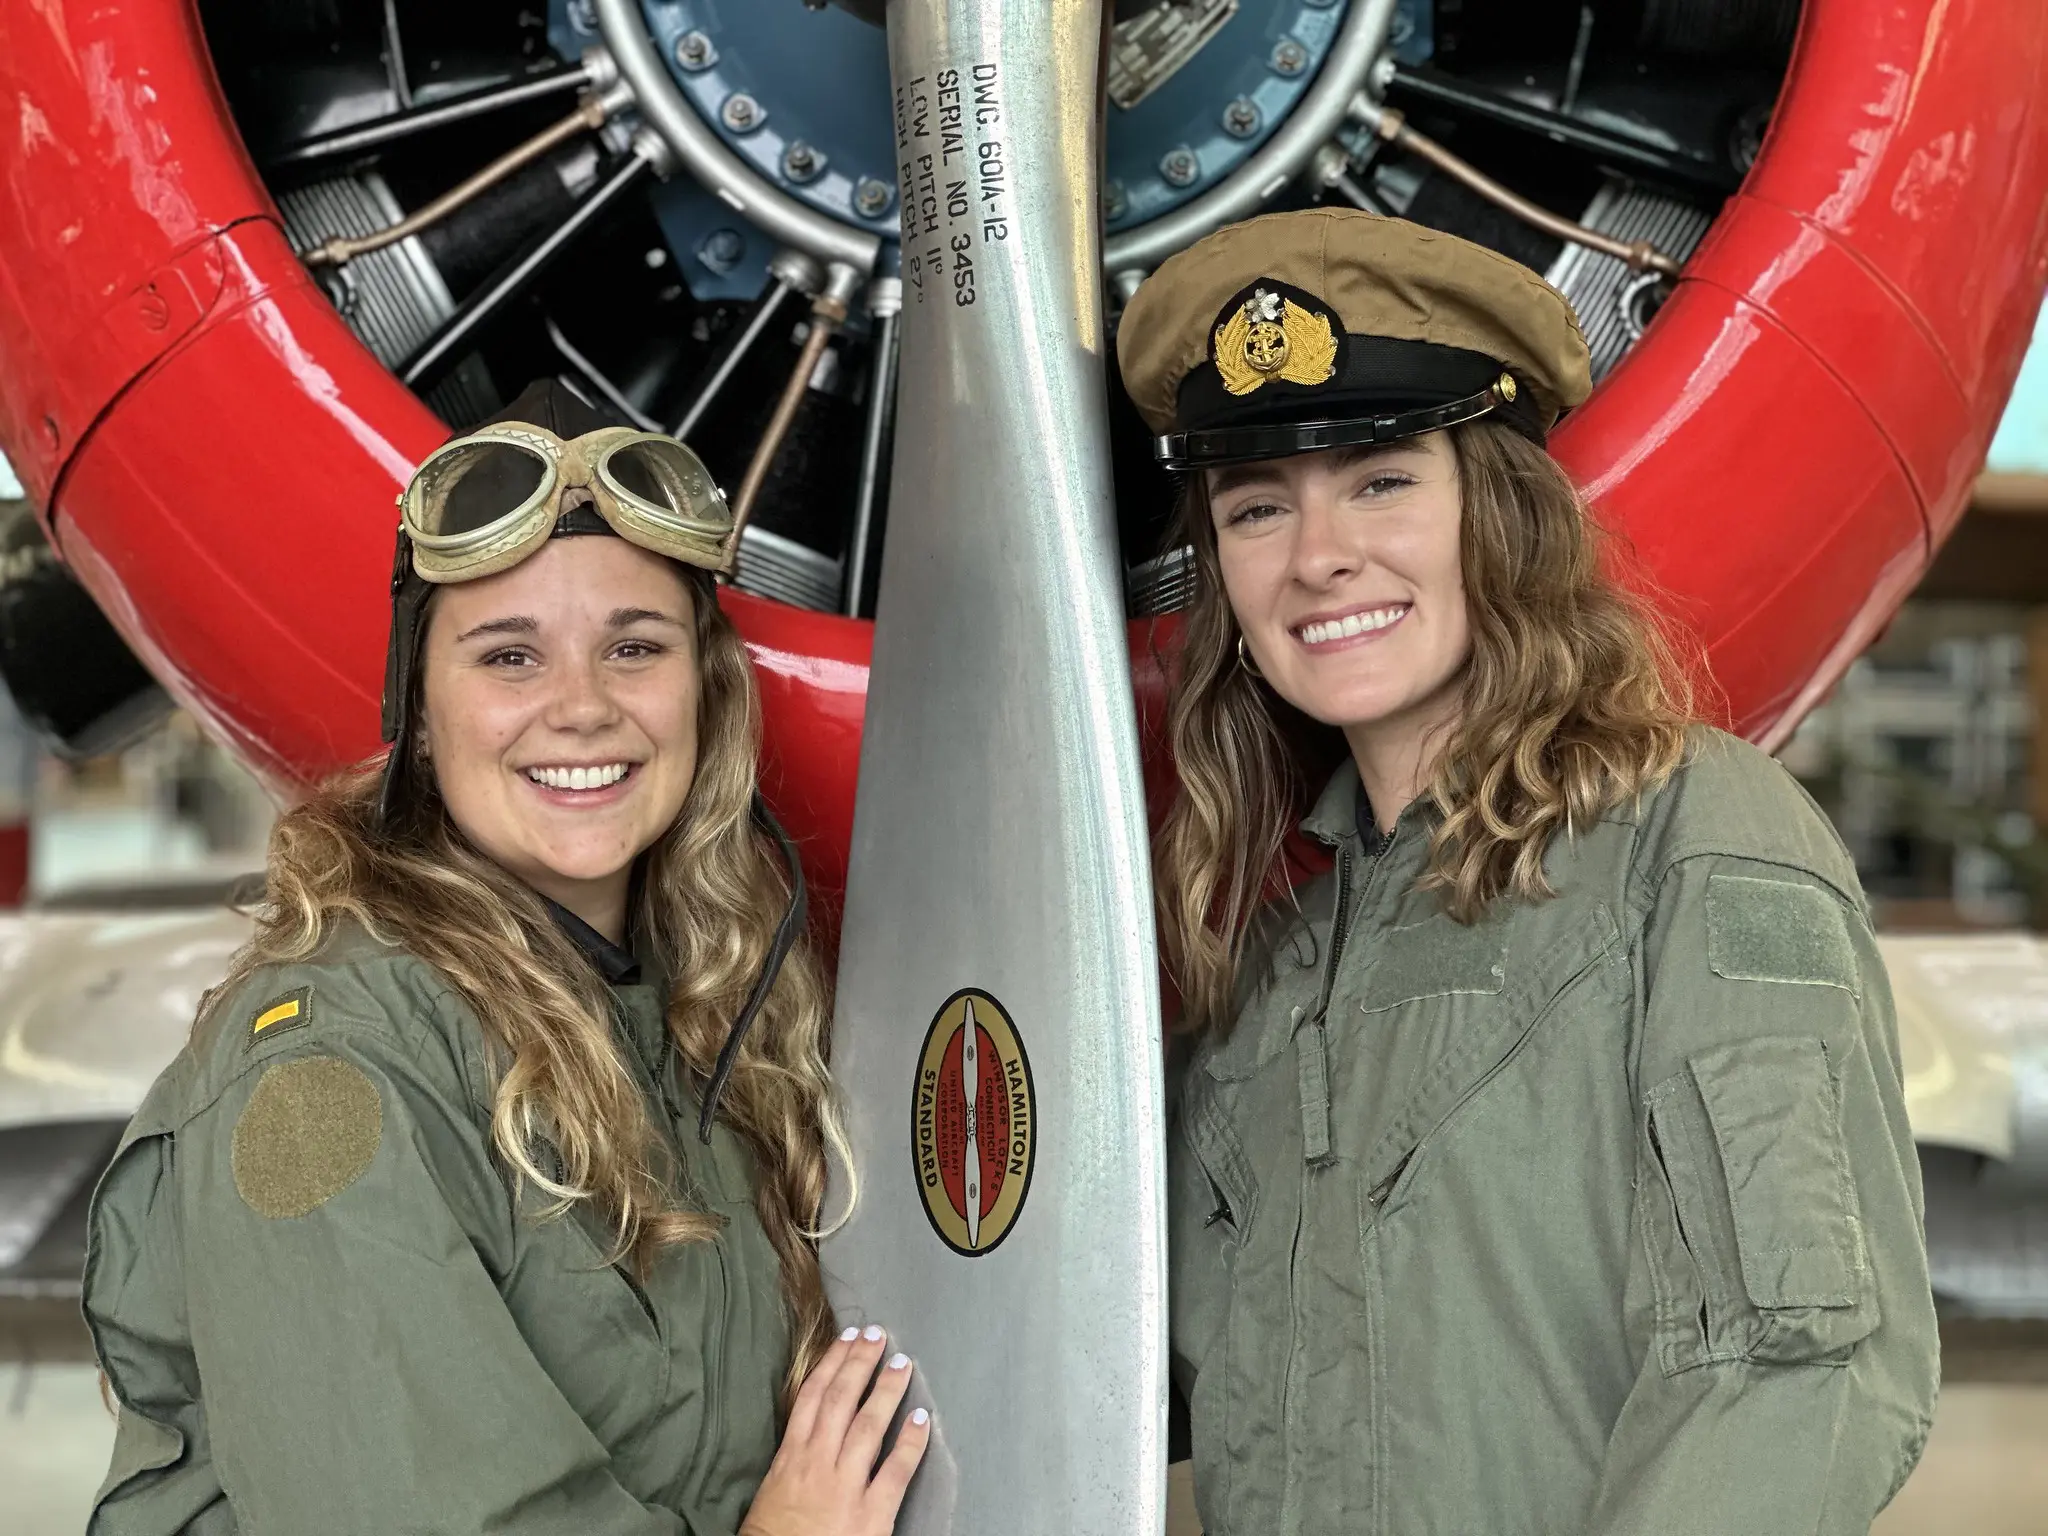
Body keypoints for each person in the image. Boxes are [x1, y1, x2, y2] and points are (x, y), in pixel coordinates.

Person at [1118, 209, 1939, 1534]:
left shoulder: (1694, 837)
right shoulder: (1274, 972)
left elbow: (1798, 1369)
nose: (1319, 555)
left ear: (1496, 514)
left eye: (1382, 479)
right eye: (1256, 504)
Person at [82, 381, 928, 1535]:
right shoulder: (321, 1077)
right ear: (420, 715)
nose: (580, 707)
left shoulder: (698, 1018)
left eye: (634, 646)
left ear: (706, 689)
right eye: (508, 657)